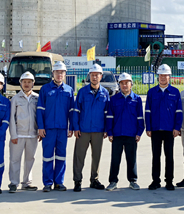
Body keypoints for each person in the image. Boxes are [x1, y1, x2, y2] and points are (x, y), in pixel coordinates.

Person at [37, 60, 75, 192]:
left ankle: (59, 182)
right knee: (47, 156)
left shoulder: (69, 90)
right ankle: (47, 183)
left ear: (65, 74)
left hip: (62, 129)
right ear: (53, 73)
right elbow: (40, 109)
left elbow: (72, 111)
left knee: (61, 156)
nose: (59, 74)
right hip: (48, 129)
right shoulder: (45, 89)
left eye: (62, 72)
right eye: (57, 72)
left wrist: (71, 127)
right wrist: (40, 127)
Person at [145, 63, 183, 190]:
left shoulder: (175, 92)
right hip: (155, 129)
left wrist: (177, 127)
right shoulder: (151, 92)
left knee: (169, 156)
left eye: (165, 75)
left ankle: (169, 181)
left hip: (169, 130)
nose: (163, 78)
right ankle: (155, 181)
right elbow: (147, 111)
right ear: (158, 76)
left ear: (169, 77)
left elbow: (179, 111)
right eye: (161, 75)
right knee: (156, 156)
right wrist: (148, 127)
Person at [72, 63, 109, 192]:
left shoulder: (105, 93)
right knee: (79, 156)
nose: (94, 77)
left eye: (97, 75)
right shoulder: (82, 92)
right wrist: (76, 127)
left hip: (98, 130)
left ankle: (94, 180)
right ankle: (77, 181)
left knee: (96, 156)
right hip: (83, 129)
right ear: (89, 76)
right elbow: (76, 111)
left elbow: (107, 113)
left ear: (101, 76)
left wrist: (106, 129)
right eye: (92, 75)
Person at [105, 73, 145, 191]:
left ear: (131, 84)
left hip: (131, 134)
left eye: (126, 83)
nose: (124, 85)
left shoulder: (137, 99)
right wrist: (110, 132)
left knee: (131, 159)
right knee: (115, 159)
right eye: (122, 83)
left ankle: (133, 181)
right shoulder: (113, 99)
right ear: (119, 85)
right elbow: (110, 117)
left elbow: (140, 117)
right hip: (117, 134)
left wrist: (139, 132)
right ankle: (113, 181)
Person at [8, 71, 39, 193]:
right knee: (15, 159)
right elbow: (11, 118)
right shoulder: (15, 99)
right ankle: (14, 183)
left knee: (30, 159)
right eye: (24, 82)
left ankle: (26, 183)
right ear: (20, 83)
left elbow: (39, 116)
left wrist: (39, 131)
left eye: (29, 82)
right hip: (18, 135)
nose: (26, 84)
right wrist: (13, 135)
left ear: (33, 83)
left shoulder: (37, 98)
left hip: (32, 134)